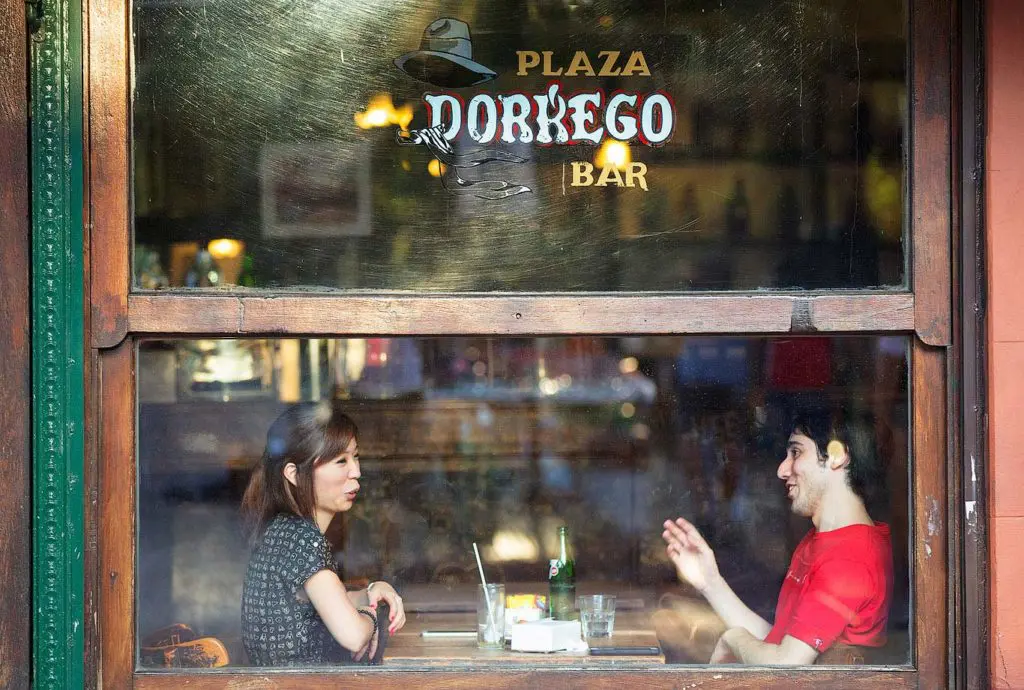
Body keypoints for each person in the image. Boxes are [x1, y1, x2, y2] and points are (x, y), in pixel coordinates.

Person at [661, 411, 892, 665]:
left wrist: (733, 639)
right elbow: (778, 644)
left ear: (836, 456)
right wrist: (710, 581)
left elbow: (785, 665)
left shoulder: (849, 557)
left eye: (796, 452)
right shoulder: (823, 541)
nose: (782, 470)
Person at [241, 401, 407, 666]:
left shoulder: (284, 531)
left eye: (356, 456)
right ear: (294, 474)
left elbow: (327, 601)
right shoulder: (301, 539)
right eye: (341, 461)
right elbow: (353, 636)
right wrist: (371, 618)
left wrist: (373, 591)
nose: (357, 472)